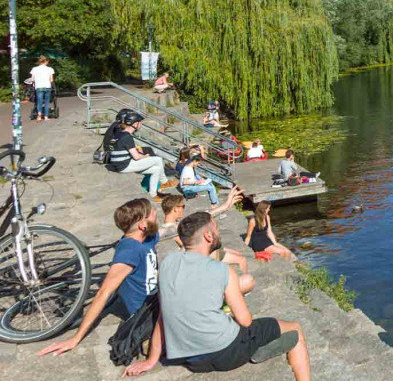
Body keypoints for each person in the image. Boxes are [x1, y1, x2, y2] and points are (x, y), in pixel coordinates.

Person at [126, 211, 310, 379]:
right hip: (227, 353)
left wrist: (151, 360)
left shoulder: (167, 264)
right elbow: (246, 321)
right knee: (294, 329)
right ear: (208, 236)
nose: (218, 232)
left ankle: (257, 348)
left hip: (193, 361)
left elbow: (163, 315)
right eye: (216, 228)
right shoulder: (223, 270)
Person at [37, 198, 161, 358]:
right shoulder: (129, 252)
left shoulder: (146, 238)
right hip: (145, 313)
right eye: (151, 213)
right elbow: (103, 293)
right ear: (142, 225)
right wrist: (75, 338)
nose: (155, 212)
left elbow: (163, 230)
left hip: (156, 299)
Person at [111, 112, 173, 200]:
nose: (141, 125)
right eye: (140, 123)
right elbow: (136, 157)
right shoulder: (127, 137)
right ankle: (165, 182)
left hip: (117, 163)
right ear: (135, 124)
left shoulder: (119, 134)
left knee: (156, 170)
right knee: (158, 159)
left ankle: (153, 195)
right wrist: (145, 156)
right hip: (124, 165)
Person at [30, 55, 55, 122]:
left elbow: (32, 79)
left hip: (39, 87)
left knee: (39, 101)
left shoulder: (34, 69)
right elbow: (51, 80)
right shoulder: (50, 69)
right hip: (47, 86)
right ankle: (46, 117)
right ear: (46, 61)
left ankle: (39, 116)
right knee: (46, 102)